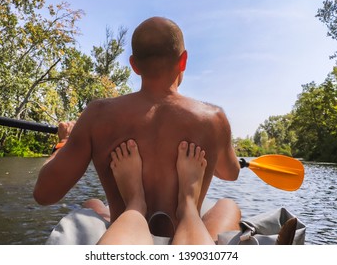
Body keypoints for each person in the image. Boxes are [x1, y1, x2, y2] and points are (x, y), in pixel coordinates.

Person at [33, 16, 242, 243]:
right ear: (183, 61)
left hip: (125, 235)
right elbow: (230, 173)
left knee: (92, 204)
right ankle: (186, 207)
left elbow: (44, 194)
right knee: (228, 205)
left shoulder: (98, 115)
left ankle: (134, 207)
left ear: (133, 65)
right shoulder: (213, 119)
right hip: (185, 237)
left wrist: (63, 142)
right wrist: (216, 148)